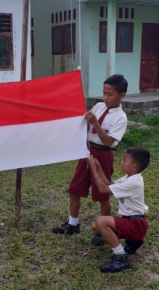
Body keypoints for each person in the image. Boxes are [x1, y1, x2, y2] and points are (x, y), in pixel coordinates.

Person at [52, 74, 128, 244]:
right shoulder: (99, 106)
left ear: (121, 95)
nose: (106, 98)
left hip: (103, 155)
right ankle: (73, 223)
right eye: (104, 93)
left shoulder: (121, 117)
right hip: (86, 152)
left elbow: (108, 141)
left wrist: (95, 124)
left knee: (102, 195)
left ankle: (103, 230)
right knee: (74, 189)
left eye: (110, 94)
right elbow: (85, 125)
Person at [86, 147, 150, 273]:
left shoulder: (132, 183)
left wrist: (92, 169)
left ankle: (121, 258)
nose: (121, 162)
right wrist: (98, 168)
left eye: (125, 160)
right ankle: (133, 242)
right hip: (134, 223)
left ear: (134, 167)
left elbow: (103, 190)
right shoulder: (130, 178)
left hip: (136, 225)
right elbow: (109, 185)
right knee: (96, 227)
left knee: (100, 221)